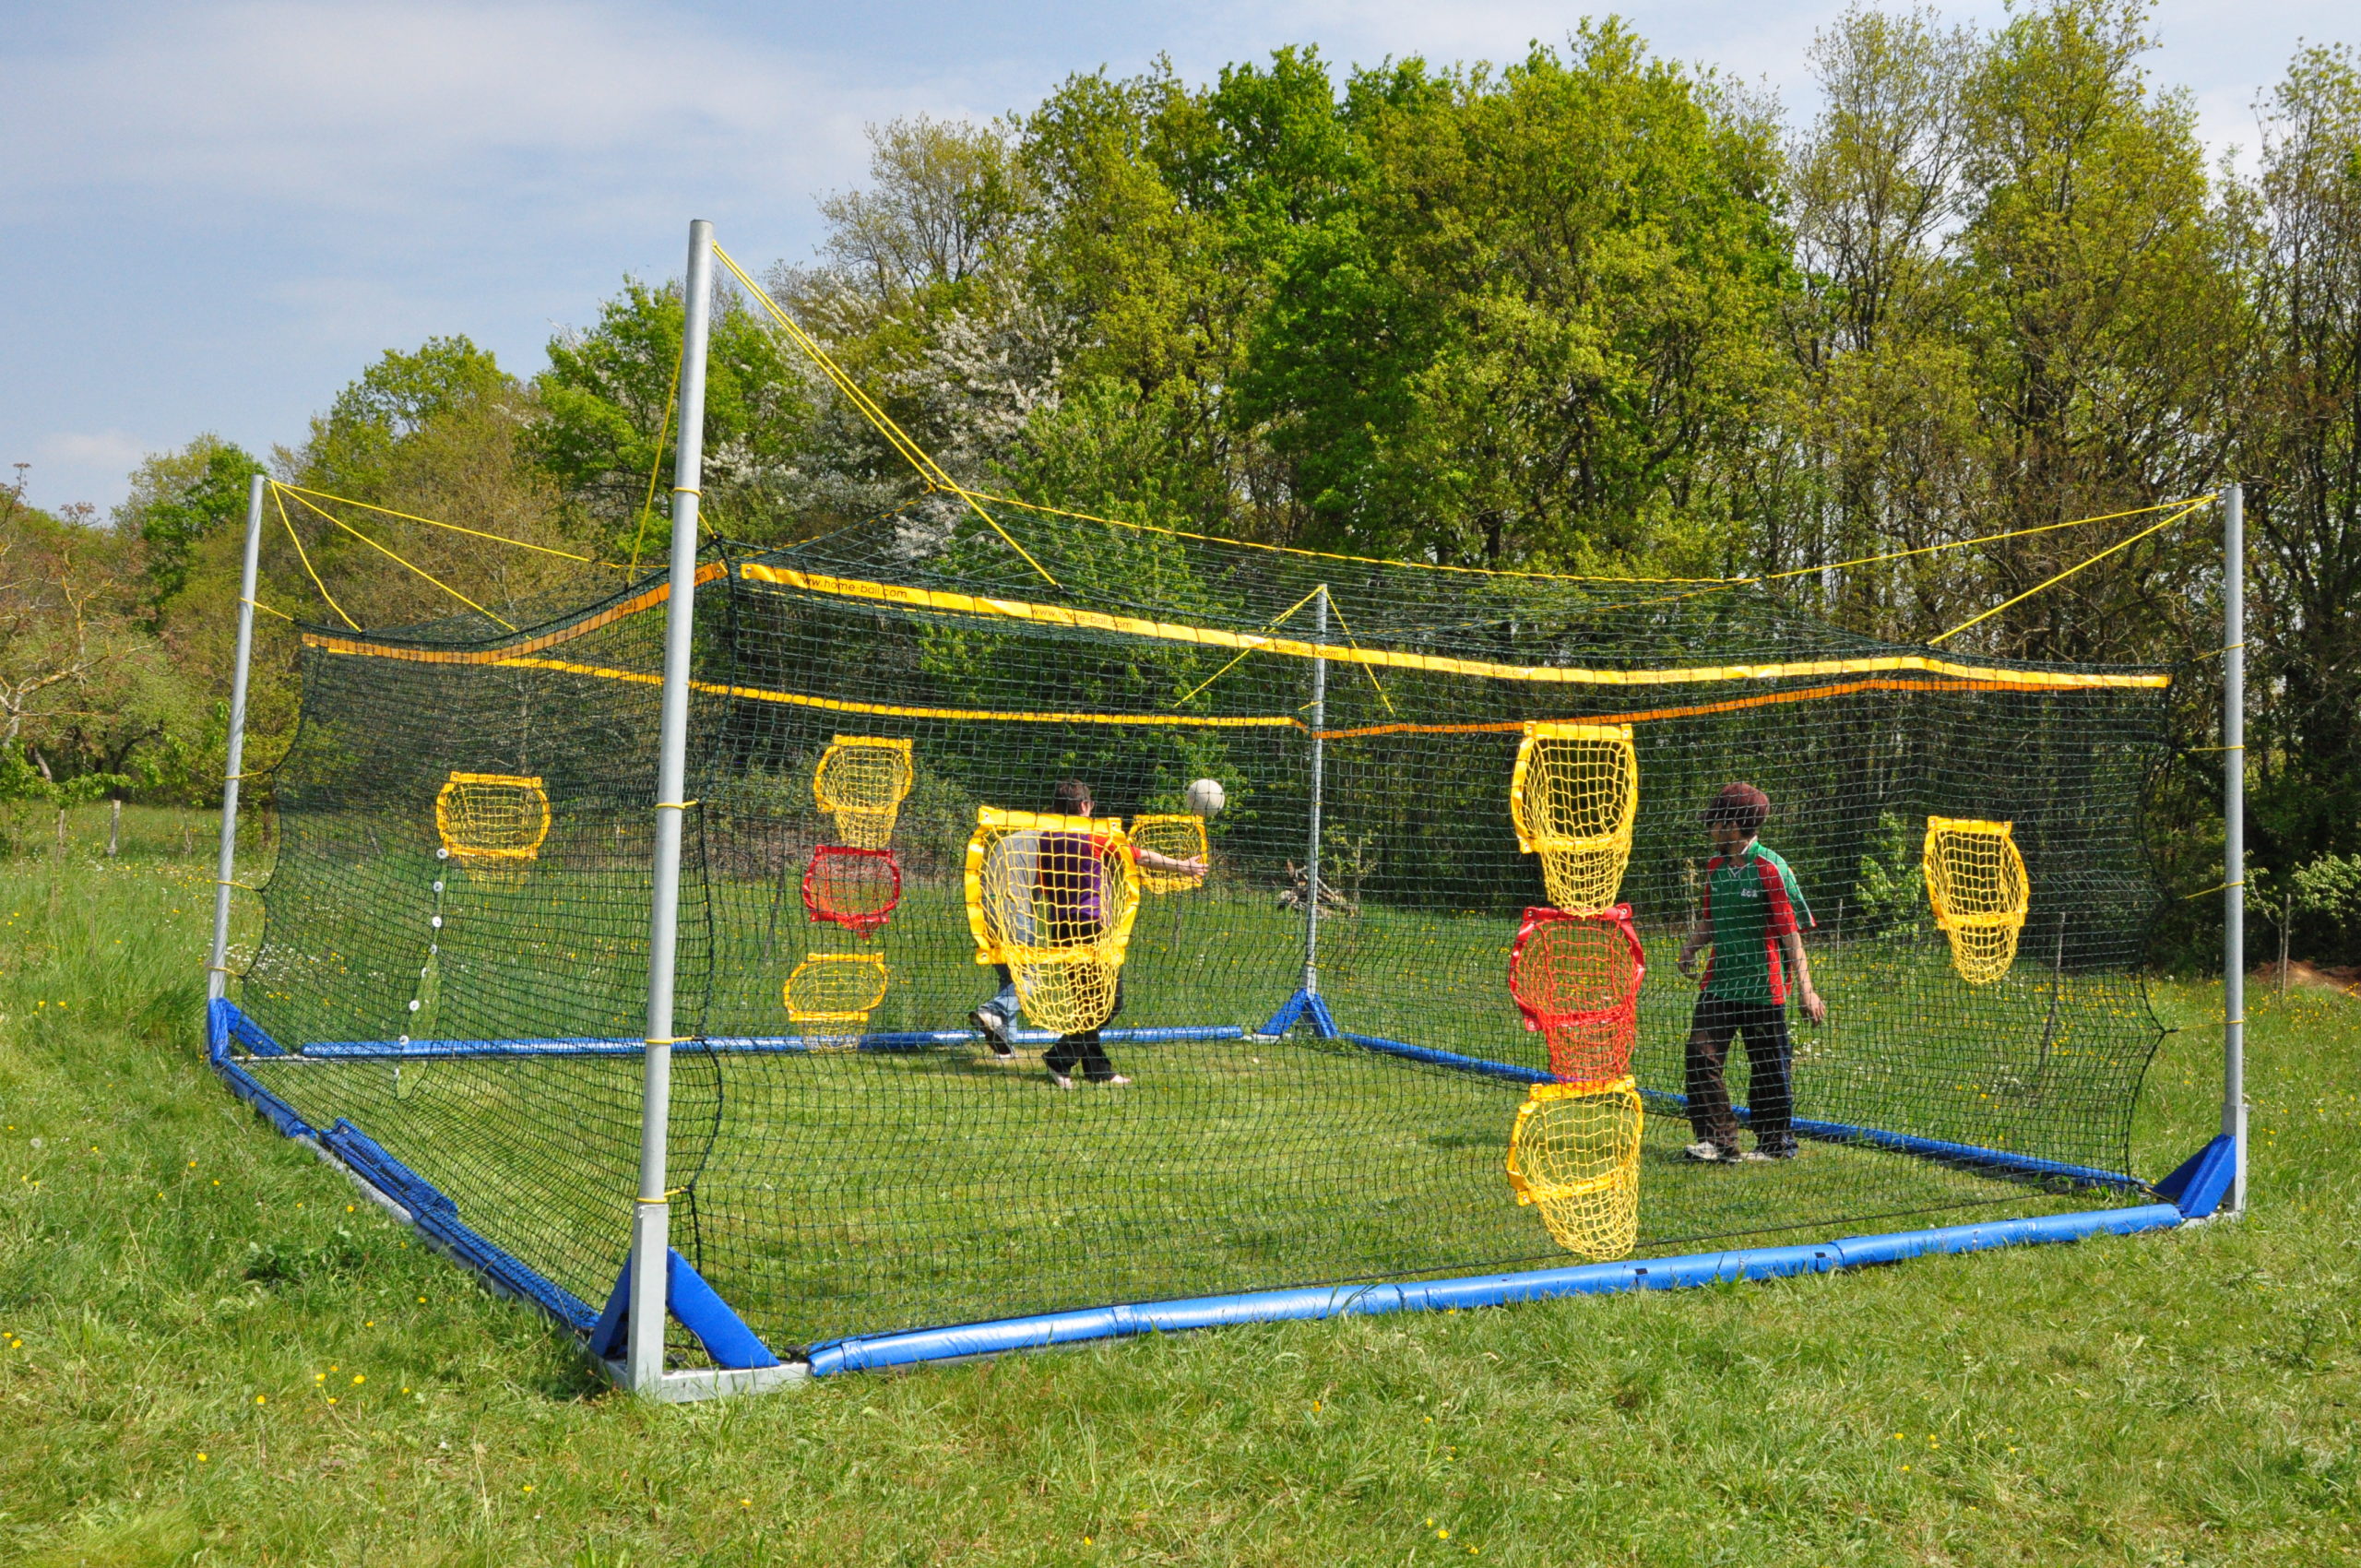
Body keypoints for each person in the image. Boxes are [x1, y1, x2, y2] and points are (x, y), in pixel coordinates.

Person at [969, 779, 1206, 1088]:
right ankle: (1059, 1058)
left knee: (1087, 1004)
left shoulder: (1047, 837)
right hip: (1090, 928)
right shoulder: (1094, 833)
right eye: (1091, 804)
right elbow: (1139, 856)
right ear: (1083, 806)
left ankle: (1099, 1071)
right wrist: (1184, 866)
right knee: (1109, 1004)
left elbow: (1042, 886)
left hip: (1060, 929)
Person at [1673, 782, 1827, 1162]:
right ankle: (1719, 1143)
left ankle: (1776, 1146)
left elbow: (1792, 937)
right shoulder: (1714, 868)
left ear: (1734, 825)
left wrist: (1807, 991)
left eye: (1715, 821)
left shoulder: (1770, 868)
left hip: (1764, 986)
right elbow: (1711, 920)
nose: (1709, 828)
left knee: (1768, 1068)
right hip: (1721, 982)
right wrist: (1691, 947)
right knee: (1700, 1053)